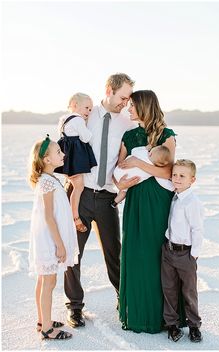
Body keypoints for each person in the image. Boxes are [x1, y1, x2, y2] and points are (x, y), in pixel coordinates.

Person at [64, 73, 139, 328]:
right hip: (80, 194)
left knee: (114, 253)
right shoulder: (86, 114)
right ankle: (74, 307)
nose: (125, 102)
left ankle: (124, 298)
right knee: (73, 254)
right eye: (122, 97)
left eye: (128, 98)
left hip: (107, 197)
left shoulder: (127, 122)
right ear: (109, 89)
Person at [118, 89, 183, 333]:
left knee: (159, 258)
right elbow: (120, 169)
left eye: (133, 105)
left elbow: (169, 173)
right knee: (136, 256)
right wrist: (120, 185)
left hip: (159, 201)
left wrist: (139, 163)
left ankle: (164, 318)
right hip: (135, 199)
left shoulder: (167, 136)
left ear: (145, 106)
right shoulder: (128, 136)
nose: (129, 109)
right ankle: (137, 315)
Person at [28, 135, 79, 340]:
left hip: (47, 237)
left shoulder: (49, 179)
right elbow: (49, 217)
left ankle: (43, 320)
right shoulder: (47, 183)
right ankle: (47, 329)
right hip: (49, 239)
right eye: (58, 152)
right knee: (48, 282)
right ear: (47, 160)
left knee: (43, 279)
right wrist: (60, 244)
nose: (63, 154)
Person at [161, 159, 204, 342]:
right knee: (169, 289)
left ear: (192, 180)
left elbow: (197, 229)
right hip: (168, 251)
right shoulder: (174, 195)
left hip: (185, 253)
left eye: (182, 176)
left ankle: (194, 325)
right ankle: (172, 324)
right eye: (175, 175)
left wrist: (193, 255)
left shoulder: (192, 202)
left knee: (189, 292)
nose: (177, 179)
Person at [55, 93, 97, 232]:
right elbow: (85, 137)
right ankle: (75, 218)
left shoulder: (63, 119)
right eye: (86, 108)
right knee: (79, 188)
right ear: (74, 105)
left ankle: (67, 216)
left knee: (74, 186)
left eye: (91, 109)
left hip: (66, 158)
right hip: (74, 159)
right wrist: (89, 130)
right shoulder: (78, 120)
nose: (88, 112)